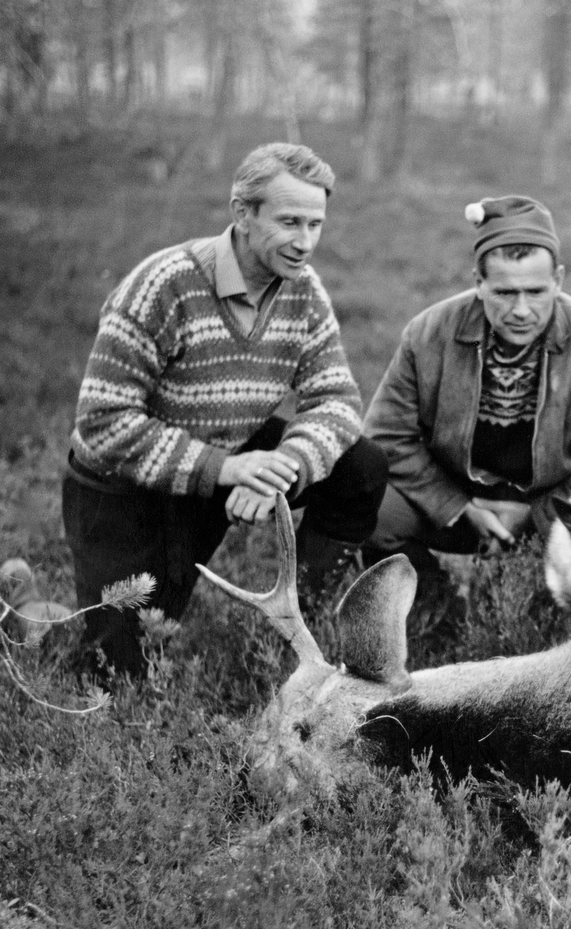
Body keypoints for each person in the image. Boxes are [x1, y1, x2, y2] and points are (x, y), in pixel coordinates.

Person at [63, 142, 388, 677]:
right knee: (117, 668)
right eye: (289, 222)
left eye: (316, 223)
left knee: (361, 466)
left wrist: (284, 468)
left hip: (227, 466)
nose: (305, 242)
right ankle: (29, 610)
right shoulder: (164, 284)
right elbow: (102, 422)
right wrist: (228, 469)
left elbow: (336, 398)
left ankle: (296, 627)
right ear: (242, 213)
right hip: (123, 491)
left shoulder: (302, 290)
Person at [363, 194, 571, 573]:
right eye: (504, 293)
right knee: (371, 511)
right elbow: (386, 436)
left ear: (558, 281)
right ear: (479, 283)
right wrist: (456, 506)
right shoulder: (428, 334)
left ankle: (542, 595)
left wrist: (538, 513)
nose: (521, 311)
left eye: (535, 292)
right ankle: (433, 608)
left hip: (555, 509)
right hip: (456, 500)